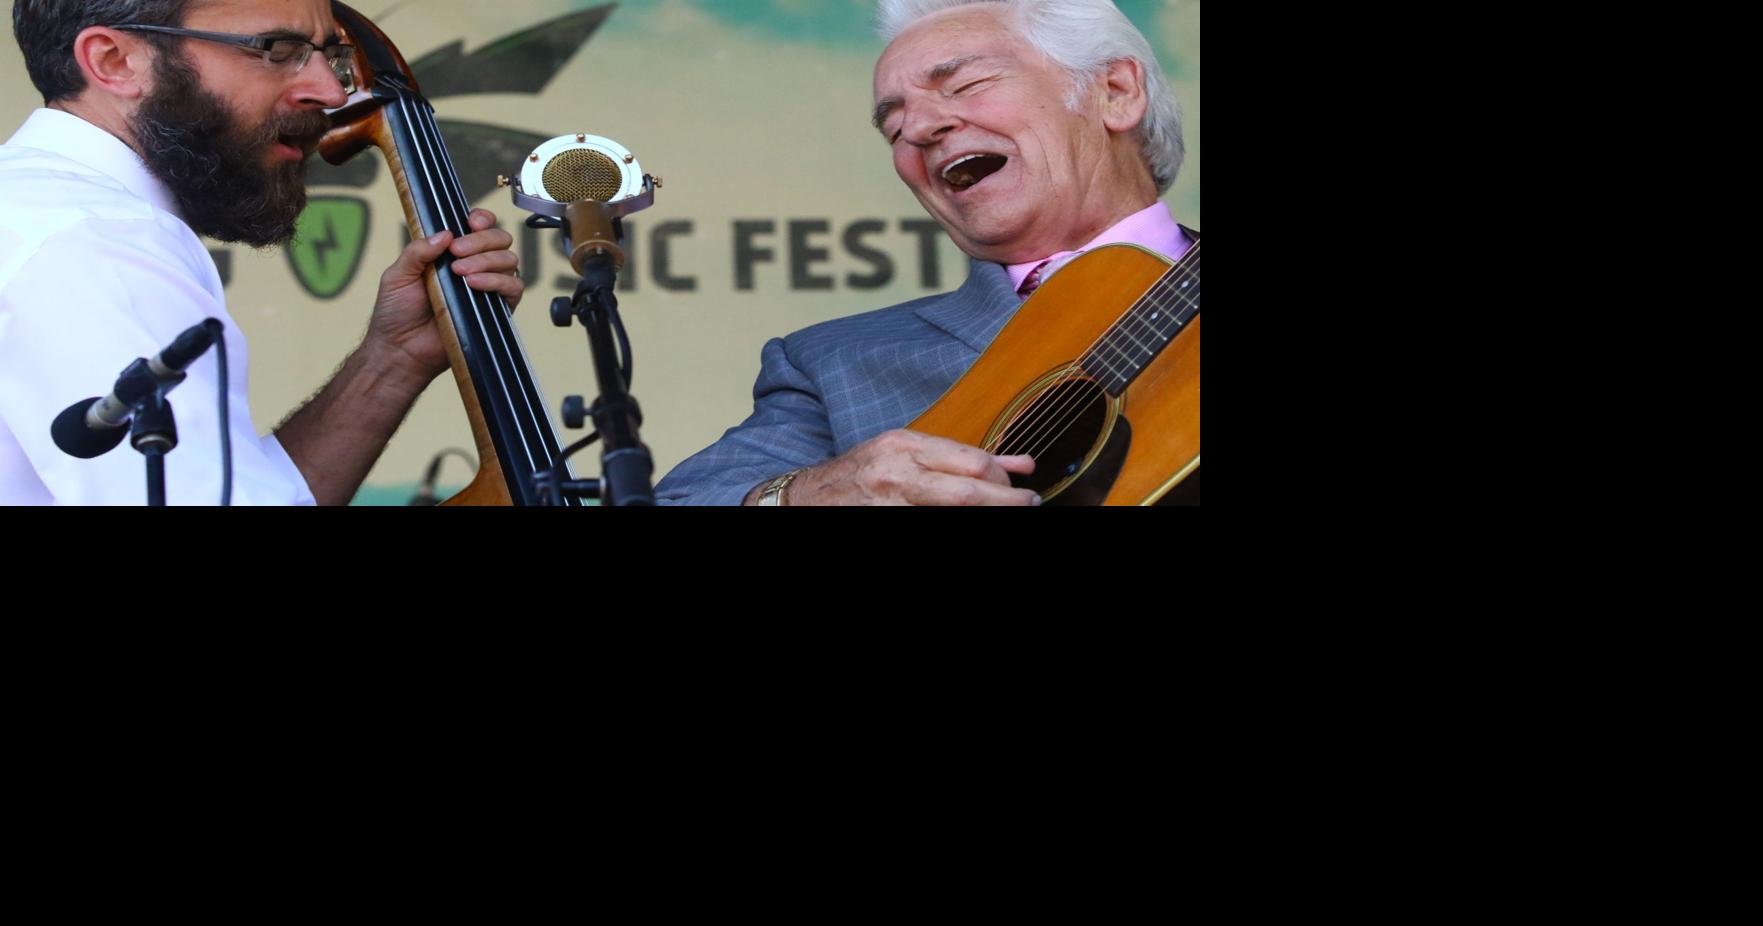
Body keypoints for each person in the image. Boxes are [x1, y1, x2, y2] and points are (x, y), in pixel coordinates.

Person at [654, 0, 1195, 506]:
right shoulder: (831, 361)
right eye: (893, 127)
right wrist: (814, 494)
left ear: (1117, 91)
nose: (917, 129)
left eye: (965, 84)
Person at [0, 0, 524, 505]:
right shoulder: (99, 240)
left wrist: (392, 359)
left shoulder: (48, 215)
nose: (328, 91)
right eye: (277, 49)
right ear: (115, 61)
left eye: (328, 55)